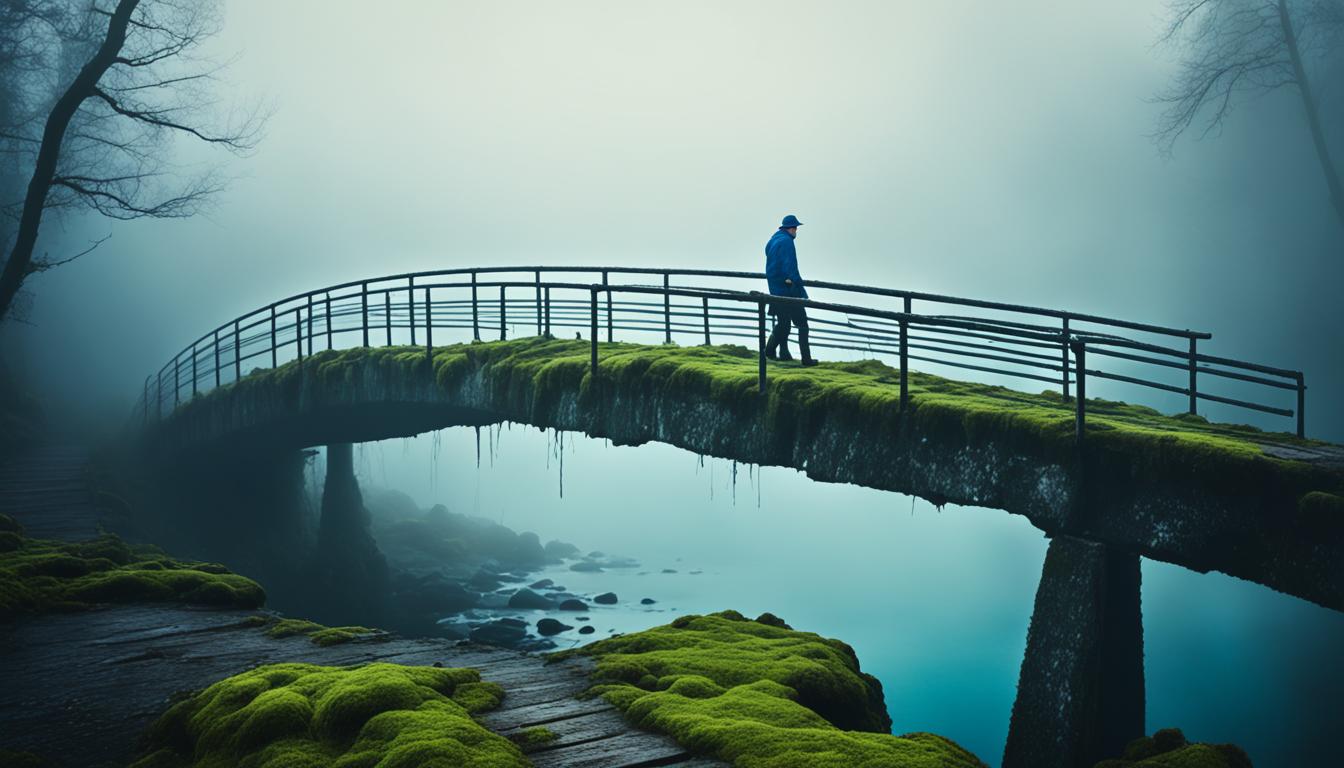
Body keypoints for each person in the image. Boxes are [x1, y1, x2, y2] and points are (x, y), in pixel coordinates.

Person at [764, 214, 817, 366]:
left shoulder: (772, 241)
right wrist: (796, 283)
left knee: (783, 324)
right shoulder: (787, 242)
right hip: (788, 290)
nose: (796, 232)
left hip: (775, 289)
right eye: (796, 228)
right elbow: (790, 266)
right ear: (792, 228)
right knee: (802, 324)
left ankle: (769, 351)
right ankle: (806, 359)